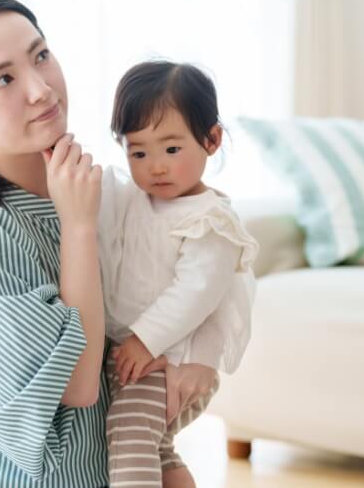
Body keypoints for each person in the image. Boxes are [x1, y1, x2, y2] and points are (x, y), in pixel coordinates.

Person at [0, 0, 218, 487]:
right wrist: (77, 227)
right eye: (4, 78)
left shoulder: (105, 196)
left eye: (41, 56)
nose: (41, 89)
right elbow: (76, 384)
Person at [97, 61, 258, 487]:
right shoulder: (136, 199)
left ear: (212, 139)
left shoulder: (210, 220)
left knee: (129, 439)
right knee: (156, 447)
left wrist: (143, 338)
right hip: (140, 355)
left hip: (171, 359)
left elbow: (196, 292)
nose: (156, 167)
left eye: (171, 149)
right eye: (138, 152)